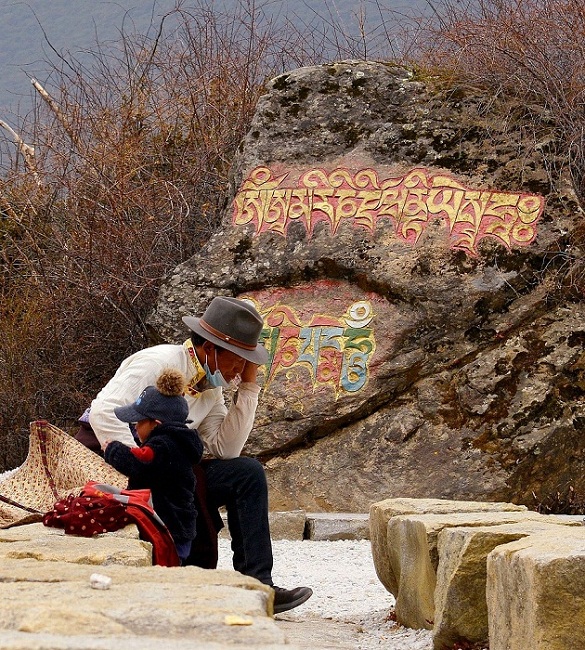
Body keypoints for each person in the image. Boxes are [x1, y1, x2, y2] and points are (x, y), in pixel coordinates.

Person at [77, 295, 313, 614]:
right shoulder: (158, 362)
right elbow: (104, 413)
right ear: (213, 348)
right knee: (184, 478)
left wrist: (249, 386)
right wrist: (145, 467)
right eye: (239, 360)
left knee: (246, 473)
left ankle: (258, 586)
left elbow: (224, 448)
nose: (240, 369)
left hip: (172, 470)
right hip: (114, 459)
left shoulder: (212, 390)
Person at [102, 368, 203, 565]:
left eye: (139, 421)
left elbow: (138, 462)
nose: (135, 427)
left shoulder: (162, 446)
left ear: (155, 424)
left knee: (164, 574)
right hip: (180, 529)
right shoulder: (180, 443)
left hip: (168, 529)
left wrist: (112, 449)